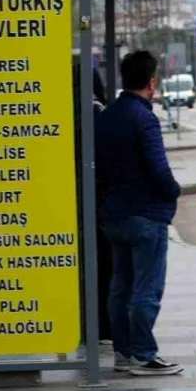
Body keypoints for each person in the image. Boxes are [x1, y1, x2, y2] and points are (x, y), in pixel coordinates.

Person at [95, 50, 183, 376]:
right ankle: (144, 355)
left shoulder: (106, 117)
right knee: (147, 287)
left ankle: (122, 351)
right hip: (145, 216)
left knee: (120, 286)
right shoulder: (145, 119)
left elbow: (100, 167)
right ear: (151, 82)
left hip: (114, 214)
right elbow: (158, 170)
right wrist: (174, 191)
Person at [72, 62, 111, 344]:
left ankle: (83, 323)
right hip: (97, 201)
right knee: (102, 265)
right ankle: (100, 326)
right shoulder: (98, 112)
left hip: (73, 200)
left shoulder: (63, 111)